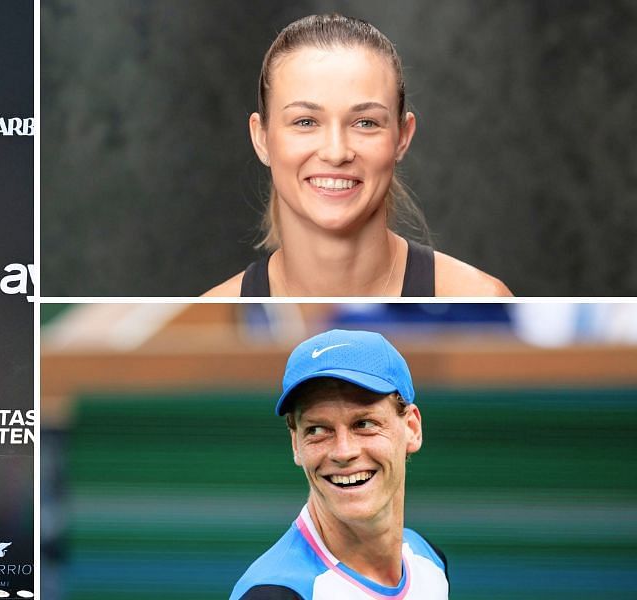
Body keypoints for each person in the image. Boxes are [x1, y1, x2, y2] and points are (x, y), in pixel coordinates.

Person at [204, 14, 510, 297]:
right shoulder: (204, 327)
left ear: (402, 137)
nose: (336, 152)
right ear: (261, 138)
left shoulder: (482, 302)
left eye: (366, 123)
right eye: (305, 122)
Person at [231, 329, 449, 599]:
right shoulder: (274, 593)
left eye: (364, 424)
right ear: (295, 444)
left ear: (412, 428)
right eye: (317, 430)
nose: (343, 452)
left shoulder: (428, 562)